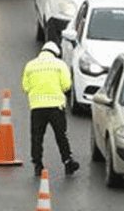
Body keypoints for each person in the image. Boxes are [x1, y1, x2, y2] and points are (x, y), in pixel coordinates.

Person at [21, 42, 79, 178]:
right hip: (56, 107)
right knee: (61, 135)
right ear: (55, 53)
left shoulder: (30, 65)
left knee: (37, 137)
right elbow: (66, 85)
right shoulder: (60, 65)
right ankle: (67, 161)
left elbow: (25, 87)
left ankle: (37, 164)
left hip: (37, 107)